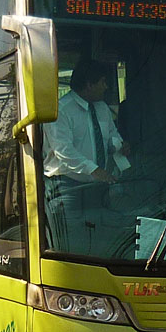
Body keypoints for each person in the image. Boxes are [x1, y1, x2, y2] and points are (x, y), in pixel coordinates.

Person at [42, 59, 130, 254]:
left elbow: (111, 134)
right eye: (103, 82)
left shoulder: (101, 108)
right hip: (67, 186)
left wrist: (120, 144)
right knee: (74, 244)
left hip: (97, 186)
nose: (106, 87)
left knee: (99, 239)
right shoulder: (61, 111)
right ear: (89, 84)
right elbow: (63, 151)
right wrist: (95, 170)